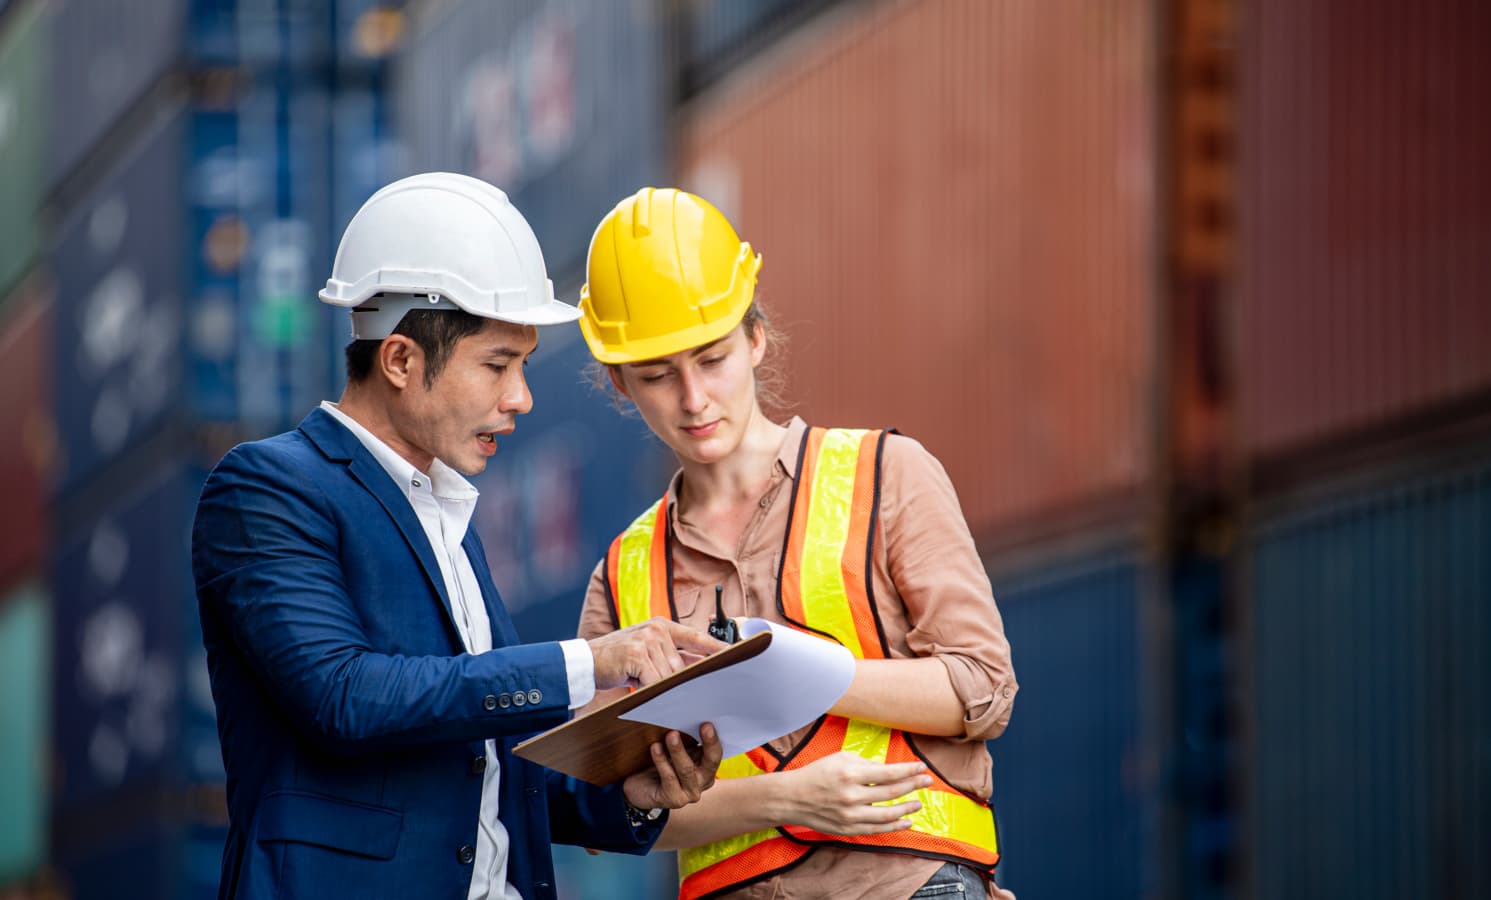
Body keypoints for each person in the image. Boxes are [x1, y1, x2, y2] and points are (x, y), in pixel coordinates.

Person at [191, 173, 730, 900]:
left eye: (525, 366)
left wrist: (636, 788)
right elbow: (344, 697)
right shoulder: (267, 489)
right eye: (498, 365)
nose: (522, 398)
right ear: (402, 361)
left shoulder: (449, 523)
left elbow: (486, 769)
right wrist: (589, 662)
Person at [572, 187, 1019, 900]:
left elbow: (983, 690)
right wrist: (786, 799)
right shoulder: (624, 573)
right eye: (658, 376)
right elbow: (607, 805)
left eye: (712, 358)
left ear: (755, 338)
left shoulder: (886, 475)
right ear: (621, 384)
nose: (693, 399)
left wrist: (808, 674)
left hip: (911, 885)